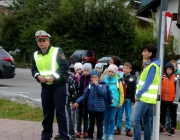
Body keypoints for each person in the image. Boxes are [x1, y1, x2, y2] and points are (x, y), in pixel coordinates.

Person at [31, 30, 70, 140]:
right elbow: (34, 70)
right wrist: (38, 76)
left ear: (48, 40)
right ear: (37, 41)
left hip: (59, 85)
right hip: (45, 87)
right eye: (39, 41)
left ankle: (64, 136)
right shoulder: (35, 54)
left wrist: (54, 76)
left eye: (43, 40)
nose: (41, 43)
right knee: (47, 113)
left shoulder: (57, 51)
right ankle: (46, 136)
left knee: (60, 113)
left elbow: (64, 66)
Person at [133, 44, 160, 140]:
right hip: (149, 98)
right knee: (147, 123)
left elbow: (148, 83)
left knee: (136, 120)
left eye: (144, 51)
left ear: (150, 53)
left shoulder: (152, 66)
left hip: (144, 98)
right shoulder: (153, 65)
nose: (142, 53)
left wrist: (138, 94)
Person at [73, 70, 106, 140]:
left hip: (100, 109)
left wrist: (97, 85)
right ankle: (90, 136)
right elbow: (84, 95)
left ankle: (99, 137)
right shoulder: (90, 85)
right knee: (91, 124)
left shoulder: (102, 85)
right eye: (92, 77)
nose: (94, 79)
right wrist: (77, 101)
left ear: (99, 77)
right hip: (91, 109)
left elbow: (103, 93)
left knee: (99, 125)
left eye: (96, 77)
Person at [102, 64, 124, 140]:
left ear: (115, 72)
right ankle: (105, 133)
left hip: (114, 103)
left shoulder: (118, 81)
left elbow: (121, 92)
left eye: (112, 72)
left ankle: (111, 134)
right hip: (106, 102)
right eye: (109, 71)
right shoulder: (105, 80)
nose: (110, 73)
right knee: (106, 118)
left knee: (112, 118)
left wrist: (120, 102)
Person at [114, 62, 136, 137]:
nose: (125, 69)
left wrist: (133, 99)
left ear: (130, 69)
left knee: (128, 115)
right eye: (124, 68)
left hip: (128, 99)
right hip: (121, 100)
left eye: (127, 68)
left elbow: (133, 89)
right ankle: (118, 128)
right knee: (119, 115)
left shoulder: (133, 78)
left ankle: (128, 129)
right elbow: (117, 89)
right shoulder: (120, 78)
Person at [160, 62, 179, 136]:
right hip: (163, 100)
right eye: (167, 69)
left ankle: (173, 128)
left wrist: (176, 100)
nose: (169, 71)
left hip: (172, 101)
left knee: (173, 115)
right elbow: (160, 89)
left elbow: (177, 90)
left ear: (173, 70)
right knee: (163, 114)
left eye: (170, 69)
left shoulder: (175, 79)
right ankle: (162, 127)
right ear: (165, 69)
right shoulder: (162, 78)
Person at [75, 63, 92, 138]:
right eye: (84, 70)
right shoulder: (79, 78)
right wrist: (76, 100)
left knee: (86, 117)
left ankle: (85, 131)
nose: (85, 72)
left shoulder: (91, 79)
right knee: (79, 116)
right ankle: (78, 131)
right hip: (79, 101)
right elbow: (76, 89)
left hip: (87, 101)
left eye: (87, 70)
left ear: (90, 71)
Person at [165, 59, 180, 131]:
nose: (172, 68)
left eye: (173, 66)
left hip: (175, 97)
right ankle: (167, 125)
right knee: (167, 112)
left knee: (173, 113)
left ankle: (173, 126)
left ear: (176, 67)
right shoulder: (166, 75)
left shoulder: (177, 75)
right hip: (168, 97)